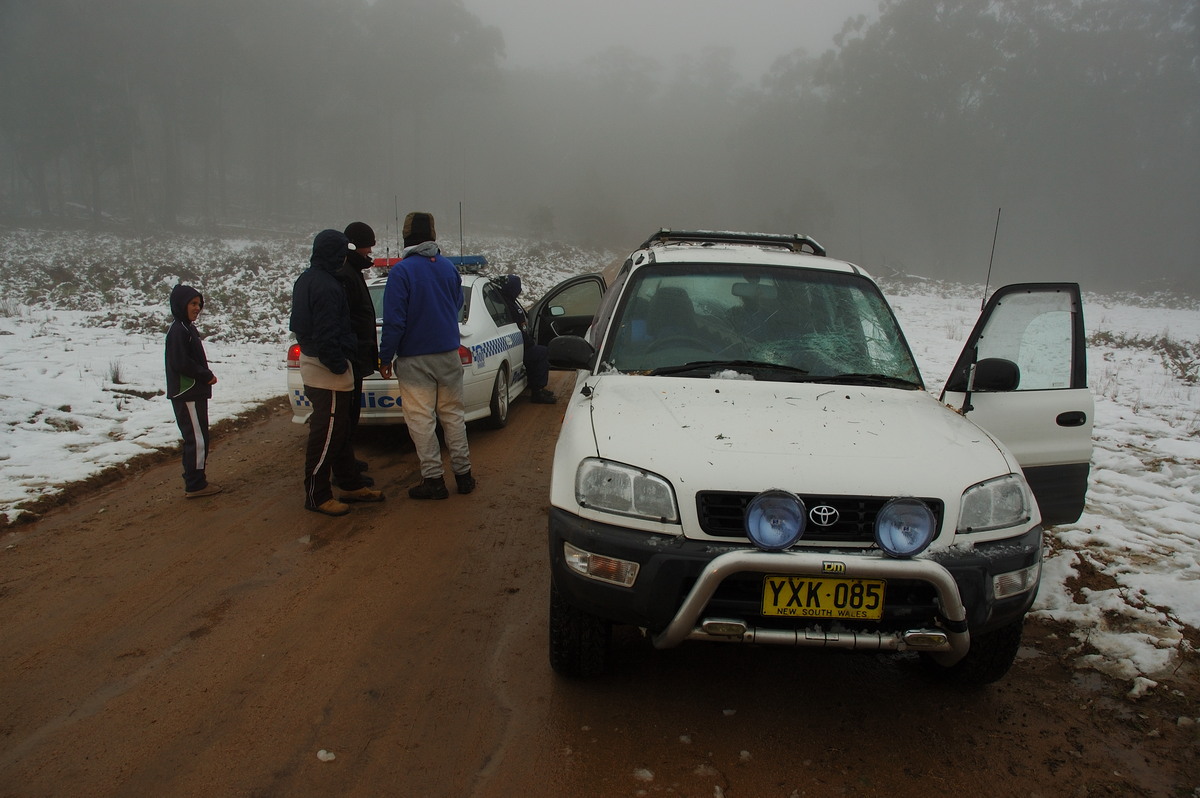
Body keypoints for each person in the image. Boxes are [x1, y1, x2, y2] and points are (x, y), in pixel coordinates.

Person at [378, 212, 475, 499]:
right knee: (454, 416)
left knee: (421, 420)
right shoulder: (448, 268)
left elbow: (394, 321)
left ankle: (433, 480)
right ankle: (464, 476)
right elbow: (457, 303)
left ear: (406, 238)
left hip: (415, 359)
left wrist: (386, 357)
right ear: (432, 236)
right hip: (448, 354)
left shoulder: (401, 272)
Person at [290, 228, 384, 516]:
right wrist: (339, 364)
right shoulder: (327, 286)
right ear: (334, 253)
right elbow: (326, 330)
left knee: (340, 431)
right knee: (327, 434)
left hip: (324, 364)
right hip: (327, 370)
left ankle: (350, 483)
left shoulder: (309, 279)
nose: (345, 256)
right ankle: (316, 495)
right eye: (342, 251)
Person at [165, 284, 221, 498]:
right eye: (193, 303)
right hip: (186, 393)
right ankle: (196, 484)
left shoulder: (186, 327)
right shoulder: (179, 330)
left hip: (193, 392)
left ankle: (196, 479)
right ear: (181, 305)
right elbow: (181, 362)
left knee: (199, 437)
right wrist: (206, 375)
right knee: (196, 439)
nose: (197, 308)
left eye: (199, 304)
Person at [337, 221, 381, 487]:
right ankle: (344, 471)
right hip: (350, 356)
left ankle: (347, 461)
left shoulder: (353, 270)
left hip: (357, 354)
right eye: (368, 245)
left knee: (351, 416)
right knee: (345, 417)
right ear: (354, 245)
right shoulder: (345, 273)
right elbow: (348, 318)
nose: (370, 251)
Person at [494, 274, 555, 404]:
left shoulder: (507, 301)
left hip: (519, 344)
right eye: (518, 288)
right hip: (517, 345)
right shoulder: (509, 305)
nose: (520, 291)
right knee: (541, 353)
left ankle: (537, 387)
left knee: (538, 352)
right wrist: (529, 342)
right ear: (513, 289)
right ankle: (537, 392)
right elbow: (519, 328)